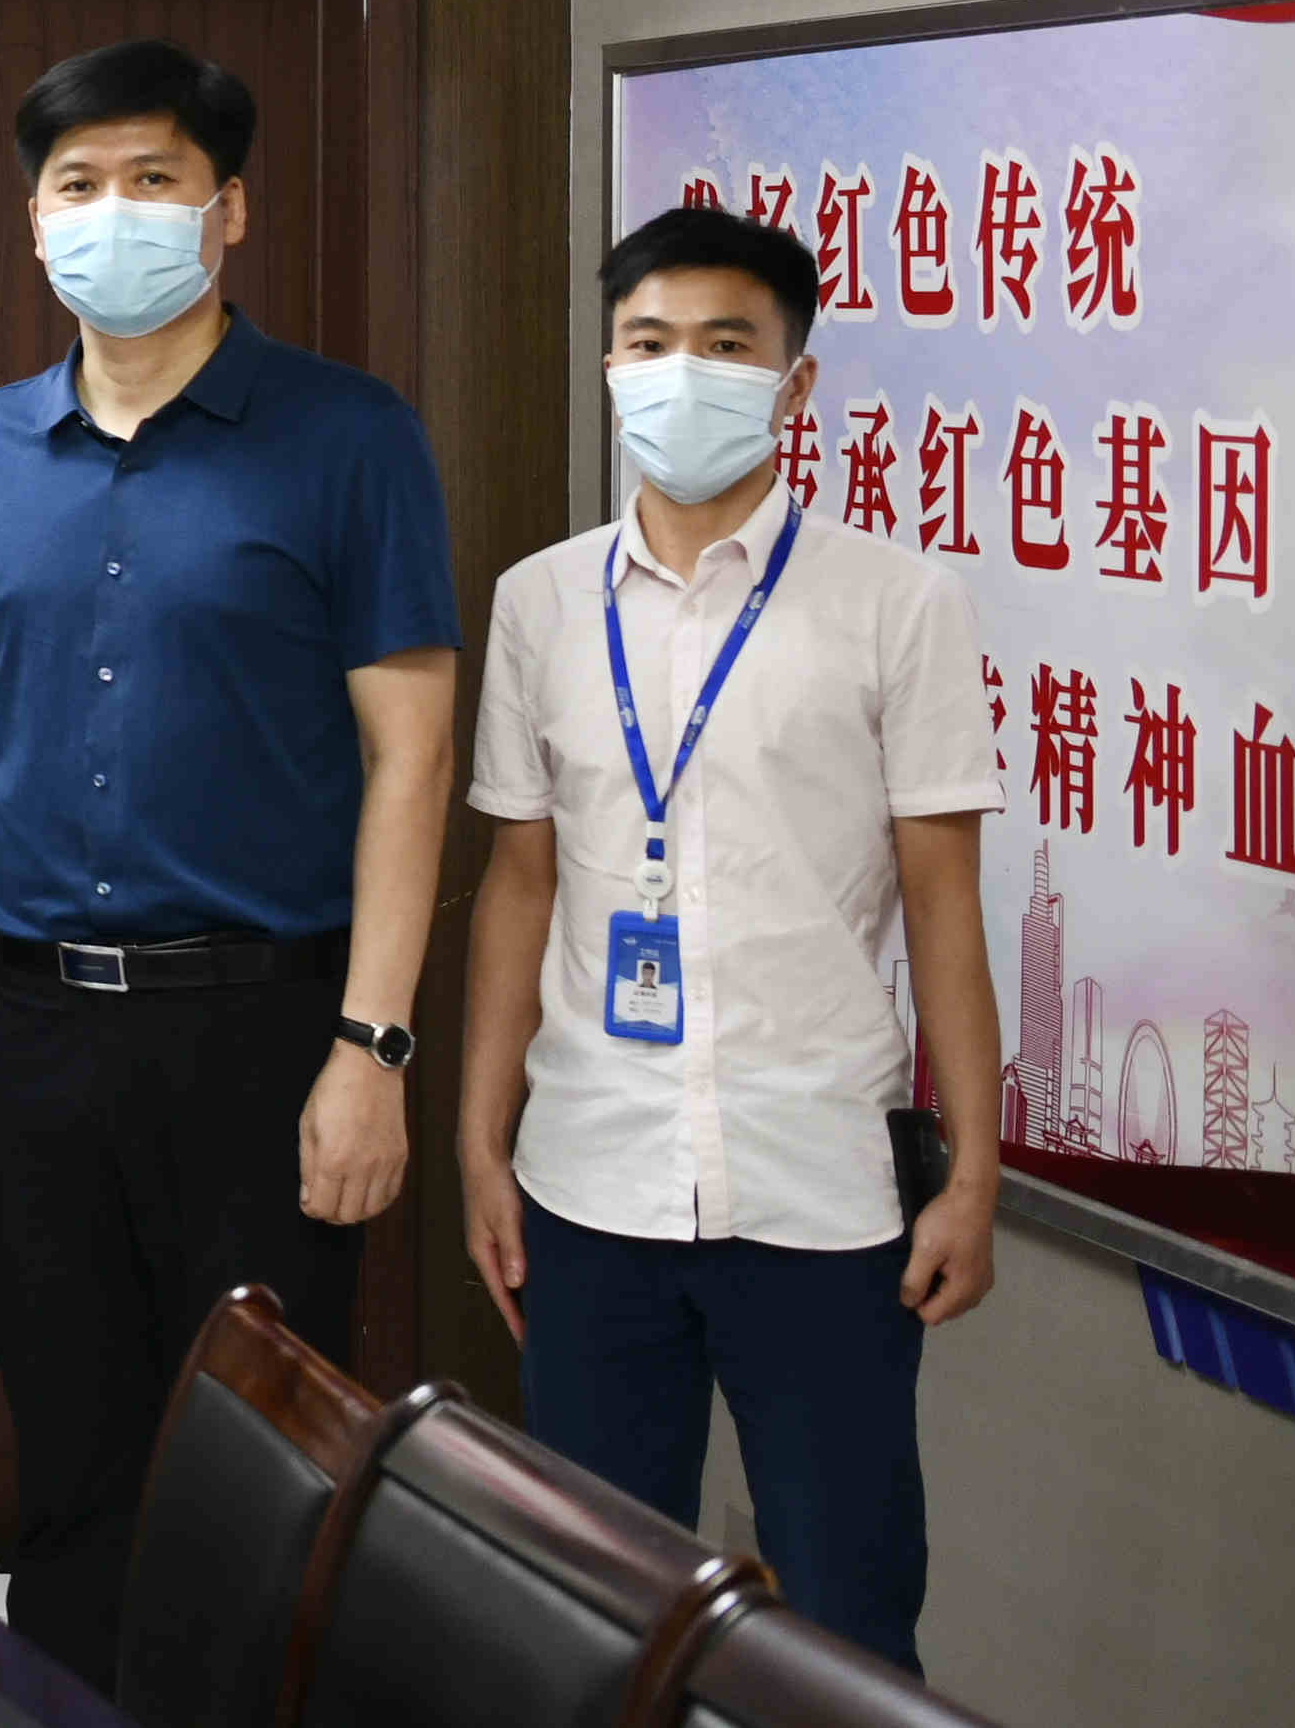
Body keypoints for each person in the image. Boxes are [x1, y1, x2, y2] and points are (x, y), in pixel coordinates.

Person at [0, 39, 457, 1680]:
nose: (111, 212)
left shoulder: (348, 436)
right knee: (68, 1466)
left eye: (153, 179)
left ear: (227, 208)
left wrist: (371, 1046)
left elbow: (412, 759)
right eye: (77, 184)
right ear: (31, 217)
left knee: (259, 1481)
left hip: (260, 1029)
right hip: (23, 1026)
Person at [462, 206, 1000, 1672]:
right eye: (647, 344)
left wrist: (972, 1177)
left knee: (843, 1616)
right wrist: (478, 1139)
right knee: (590, 1611)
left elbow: (943, 905)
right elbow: (517, 882)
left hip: (817, 1190)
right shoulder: (538, 603)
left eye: (722, 345)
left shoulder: (898, 603)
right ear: (606, 365)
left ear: (792, 381)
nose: (679, 374)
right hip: (590, 1177)